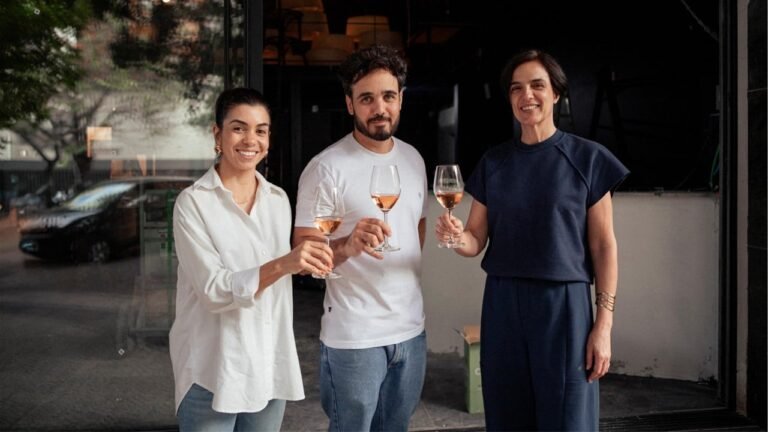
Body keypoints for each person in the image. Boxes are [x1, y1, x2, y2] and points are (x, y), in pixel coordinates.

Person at [435, 49, 630, 431]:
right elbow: (474, 240)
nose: (527, 95)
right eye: (516, 88)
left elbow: (604, 247)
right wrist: (456, 237)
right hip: (503, 303)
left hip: (565, 306)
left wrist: (603, 326)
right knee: (507, 416)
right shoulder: (494, 162)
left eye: (537, 85)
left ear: (556, 93)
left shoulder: (588, 159)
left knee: (568, 419)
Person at [169, 87, 334, 432]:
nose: (250, 140)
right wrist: (285, 263)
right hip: (211, 369)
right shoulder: (193, 203)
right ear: (217, 134)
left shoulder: (278, 200)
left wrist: (313, 260)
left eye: (261, 130)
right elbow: (214, 291)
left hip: (268, 365)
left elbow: (278, 285)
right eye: (238, 128)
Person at [293, 45, 428, 432]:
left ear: (401, 99)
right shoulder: (326, 168)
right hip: (355, 337)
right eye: (367, 98)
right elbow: (302, 254)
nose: (379, 108)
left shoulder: (414, 160)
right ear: (350, 104)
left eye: (388, 96)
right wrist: (347, 245)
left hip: (411, 331)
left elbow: (415, 232)